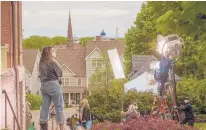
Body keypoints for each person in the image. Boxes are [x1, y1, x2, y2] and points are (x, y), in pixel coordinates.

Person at [38, 46, 65, 130]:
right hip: (53, 85)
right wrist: (56, 62)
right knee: (59, 106)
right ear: (50, 53)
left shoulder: (41, 63)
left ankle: (43, 125)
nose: (55, 53)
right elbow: (60, 73)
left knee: (45, 106)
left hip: (44, 86)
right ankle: (61, 126)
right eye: (54, 51)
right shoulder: (53, 62)